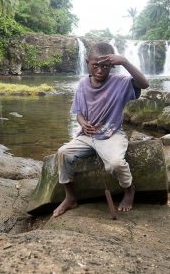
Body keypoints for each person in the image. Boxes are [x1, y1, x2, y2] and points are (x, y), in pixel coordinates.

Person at [53, 42, 149, 217]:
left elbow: (144, 84)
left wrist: (125, 62)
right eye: (95, 64)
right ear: (87, 62)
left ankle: (129, 189)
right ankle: (70, 197)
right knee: (63, 153)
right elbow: (79, 113)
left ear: (112, 66)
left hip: (112, 134)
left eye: (105, 65)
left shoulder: (121, 83)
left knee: (116, 163)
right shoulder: (83, 84)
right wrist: (83, 124)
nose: (100, 69)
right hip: (87, 136)